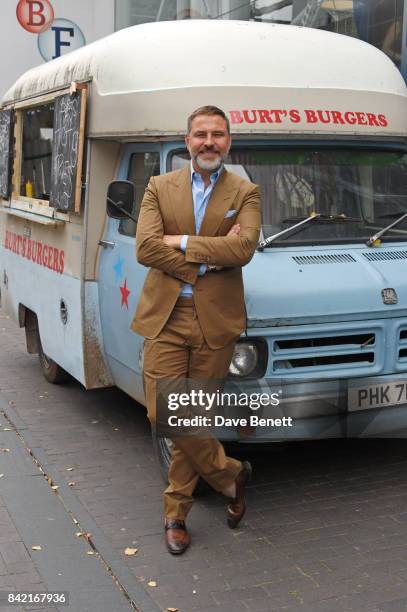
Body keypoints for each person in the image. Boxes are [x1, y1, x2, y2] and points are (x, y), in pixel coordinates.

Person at [131, 105, 261, 554]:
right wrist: (207, 259)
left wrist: (182, 241)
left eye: (218, 134)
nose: (209, 141)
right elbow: (146, 248)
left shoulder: (246, 192)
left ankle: (175, 514)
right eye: (201, 134)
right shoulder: (158, 187)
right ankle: (231, 476)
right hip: (166, 318)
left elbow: (244, 249)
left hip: (215, 323)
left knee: (192, 417)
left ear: (229, 141)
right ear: (187, 141)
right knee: (163, 414)